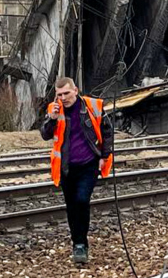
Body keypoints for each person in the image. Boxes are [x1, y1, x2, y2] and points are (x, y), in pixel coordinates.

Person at [40, 77, 114, 264]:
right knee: (72, 206)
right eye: (59, 95)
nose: (63, 98)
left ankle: (81, 244)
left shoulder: (92, 106)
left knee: (82, 201)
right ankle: (77, 243)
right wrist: (52, 119)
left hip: (88, 164)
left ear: (75, 90)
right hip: (66, 168)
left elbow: (107, 131)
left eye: (66, 93)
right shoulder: (54, 110)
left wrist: (104, 157)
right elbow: (45, 134)